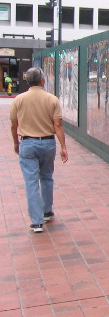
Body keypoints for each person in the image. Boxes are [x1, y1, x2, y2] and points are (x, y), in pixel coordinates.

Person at [9, 67, 68, 233]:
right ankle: (47, 211)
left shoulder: (19, 100)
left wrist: (16, 143)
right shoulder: (52, 99)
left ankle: (36, 222)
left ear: (28, 81)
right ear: (43, 80)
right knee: (47, 177)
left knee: (31, 182)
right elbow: (58, 125)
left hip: (27, 144)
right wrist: (63, 146)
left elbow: (14, 124)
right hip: (48, 143)